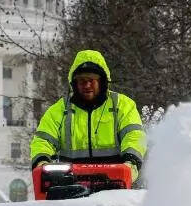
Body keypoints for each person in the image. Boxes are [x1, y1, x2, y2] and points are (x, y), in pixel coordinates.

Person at [29, 49, 147, 185]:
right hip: (70, 184)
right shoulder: (60, 110)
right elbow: (42, 141)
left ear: (102, 81)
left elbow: (134, 136)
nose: (87, 85)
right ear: (74, 83)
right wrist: (41, 162)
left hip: (115, 182)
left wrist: (131, 163)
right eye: (81, 81)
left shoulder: (122, 105)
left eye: (91, 80)